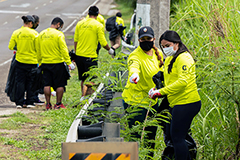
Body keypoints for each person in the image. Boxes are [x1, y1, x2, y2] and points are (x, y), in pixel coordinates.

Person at [148, 30, 201, 160]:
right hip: (176, 102)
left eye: (168, 45)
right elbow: (170, 78)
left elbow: (182, 82)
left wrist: (161, 92)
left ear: (176, 43)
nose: (165, 49)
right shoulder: (171, 58)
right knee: (172, 135)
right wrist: (158, 82)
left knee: (177, 138)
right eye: (163, 46)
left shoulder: (184, 58)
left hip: (186, 103)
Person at [122, 26, 164, 158]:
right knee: (135, 136)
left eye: (148, 39)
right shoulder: (135, 55)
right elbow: (134, 66)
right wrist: (134, 75)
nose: (146, 41)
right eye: (143, 39)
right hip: (135, 102)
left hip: (152, 101)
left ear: (153, 39)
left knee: (150, 136)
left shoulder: (158, 55)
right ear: (139, 40)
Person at [74, 6, 114, 101]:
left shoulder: (80, 23)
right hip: (90, 56)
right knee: (92, 79)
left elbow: (75, 40)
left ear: (88, 13)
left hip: (79, 55)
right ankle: (87, 98)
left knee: (83, 78)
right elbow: (103, 42)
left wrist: (76, 53)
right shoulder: (98, 25)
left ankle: (82, 96)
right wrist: (109, 50)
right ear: (98, 14)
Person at [38, 17, 75, 110]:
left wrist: (39, 62)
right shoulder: (59, 34)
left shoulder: (42, 34)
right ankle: (58, 104)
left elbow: (37, 49)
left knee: (47, 84)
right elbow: (63, 49)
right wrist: (69, 62)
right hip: (57, 63)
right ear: (58, 24)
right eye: (61, 26)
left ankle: (48, 104)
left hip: (45, 62)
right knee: (60, 84)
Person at [8, 15, 40, 109]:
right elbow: (38, 48)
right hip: (32, 61)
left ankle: (19, 103)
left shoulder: (17, 32)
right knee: (31, 82)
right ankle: (30, 102)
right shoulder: (35, 34)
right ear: (30, 23)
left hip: (20, 60)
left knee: (20, 82)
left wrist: (20, 48)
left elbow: (11, 46)